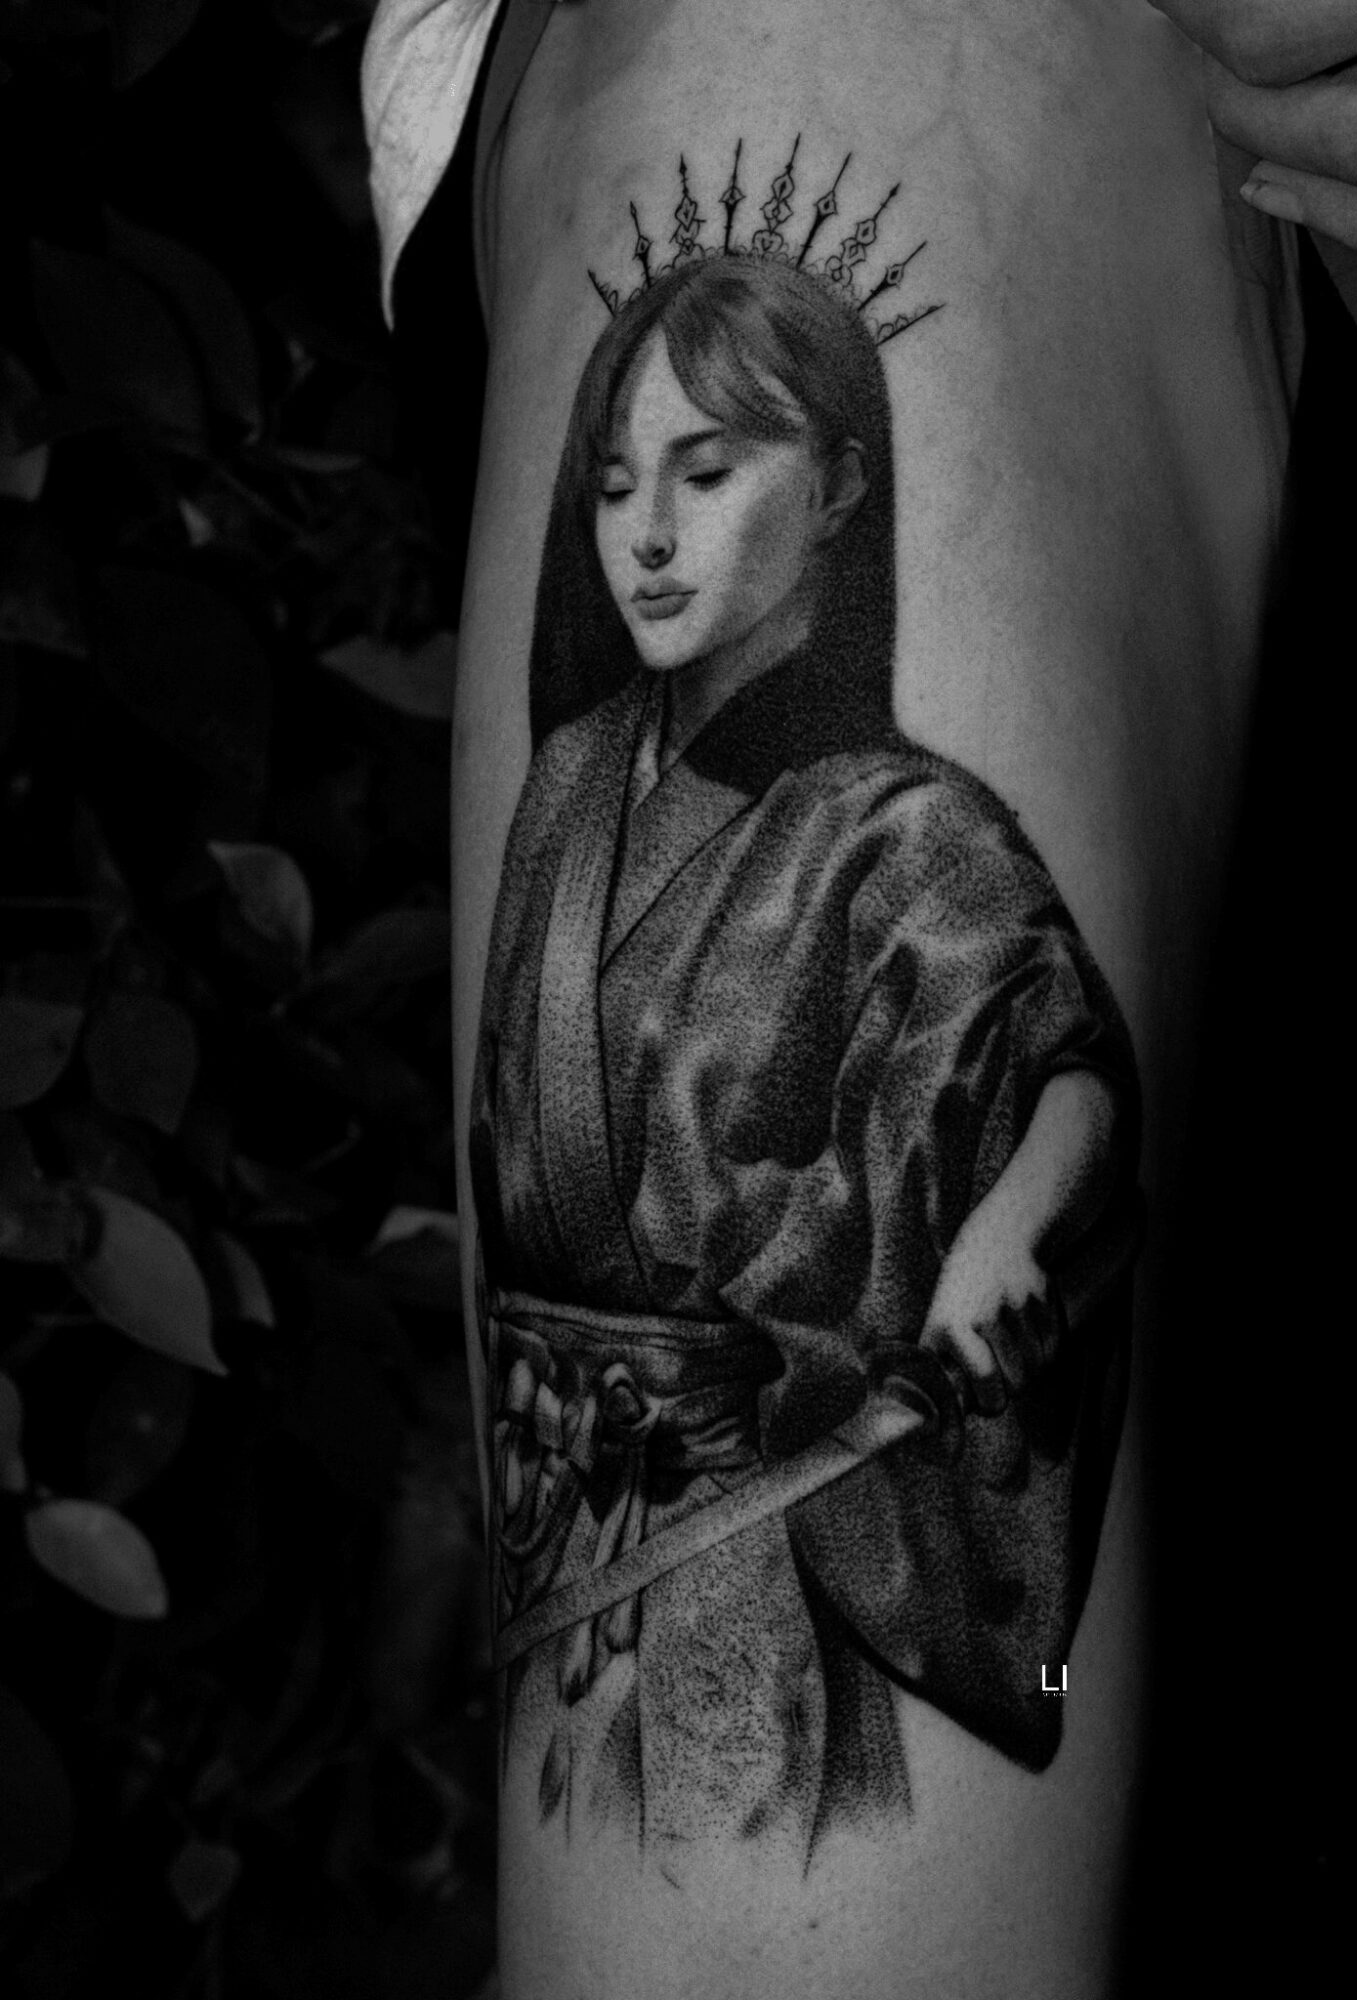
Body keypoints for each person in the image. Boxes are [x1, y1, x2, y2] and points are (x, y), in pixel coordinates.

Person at [468, 246, 1142, 1862]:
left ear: (841, 483)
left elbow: (1072, 1060)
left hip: (749, 1538)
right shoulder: (568, 781)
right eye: (614, 485)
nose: (646, 534)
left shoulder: (908, 830)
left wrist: (1002, 1231)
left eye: (707, 474)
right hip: (552, 1520)